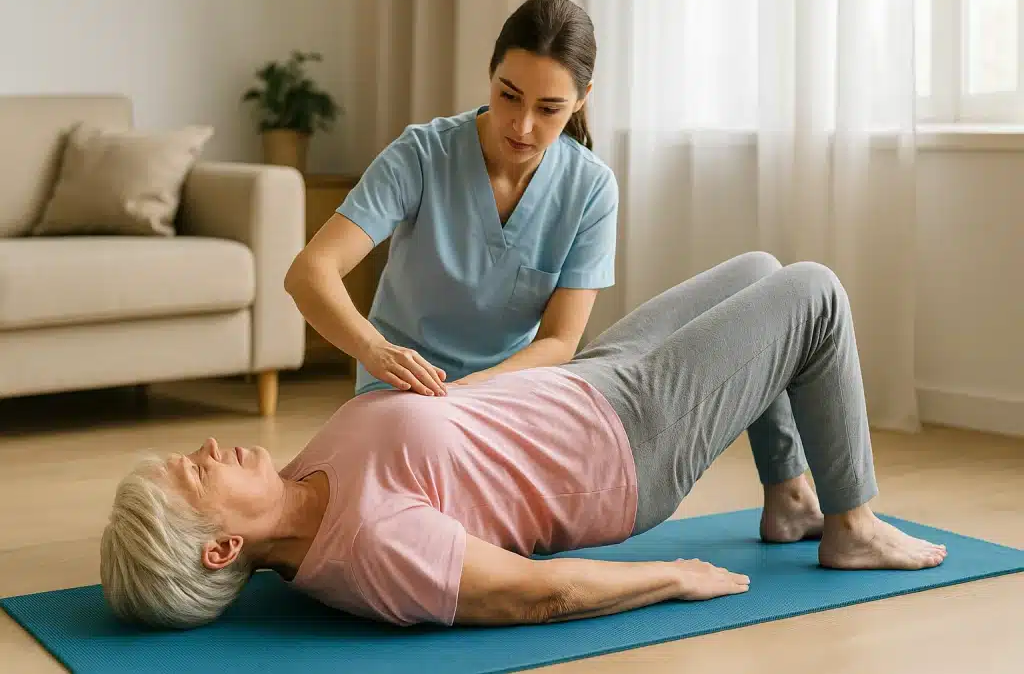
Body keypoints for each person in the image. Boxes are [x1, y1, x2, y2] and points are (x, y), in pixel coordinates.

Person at [100, 252, 947, 630]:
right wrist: (671, 575)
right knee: (814, 294)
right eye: (196, 474)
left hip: (590, 384)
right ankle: (852, 525)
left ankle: (792, 499)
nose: (209, 446)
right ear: (222, 549)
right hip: (625, 444)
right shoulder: (371, 549)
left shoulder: (300, 480)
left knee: (761, 270)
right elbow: (535, 592)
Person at [283, 0, 617, 398]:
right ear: (491, 72)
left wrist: (470, 391)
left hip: (507, 392)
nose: (522, 126)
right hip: (402, 387)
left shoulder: (592, 188)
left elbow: (560, 341)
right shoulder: (421, 155)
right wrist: (375, 350)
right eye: (509, 96)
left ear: (582, 98)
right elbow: (309, 272)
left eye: (549, 109)